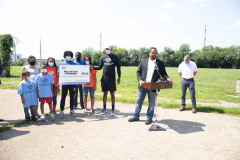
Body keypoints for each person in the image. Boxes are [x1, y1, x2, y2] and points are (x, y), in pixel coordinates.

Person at [128, 47, 172, 125]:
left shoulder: (160, 63)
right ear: (149, 53)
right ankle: (136, 116)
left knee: (151, 103)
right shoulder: (143, 61)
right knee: (139, 101)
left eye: (155, 53)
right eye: (153, 53)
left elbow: (164, 74)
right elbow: (138, 72)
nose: (154, 54)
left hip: (153, 87)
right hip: (143, 85)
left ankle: (149, 118)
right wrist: (140, 80)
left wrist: (168, 78)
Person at [93, 45, 121, 116]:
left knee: (112, 94)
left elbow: (118, 68)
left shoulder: (115, 57)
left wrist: (119, 77)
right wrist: (93, 67)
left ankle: (113, 110)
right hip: (104, 78)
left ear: (111, 49)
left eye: (109, 49)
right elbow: (100, 67)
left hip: (112, 78)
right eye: (106, 49)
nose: (108, 50)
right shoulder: (103, 57)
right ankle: (104, 109)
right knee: (105, 94)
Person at [58, 51, 77, 118]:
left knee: (72, 97)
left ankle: (72, 110)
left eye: (70, 55)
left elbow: (77, 73)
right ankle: (62, 110)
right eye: (67, 55)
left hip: (72, 84)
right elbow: (58, 73)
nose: (68, 57)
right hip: (64, 83)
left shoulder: (75, 64)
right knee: (63, 97)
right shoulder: (61, 64)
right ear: (65, 56)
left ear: (71, 57)